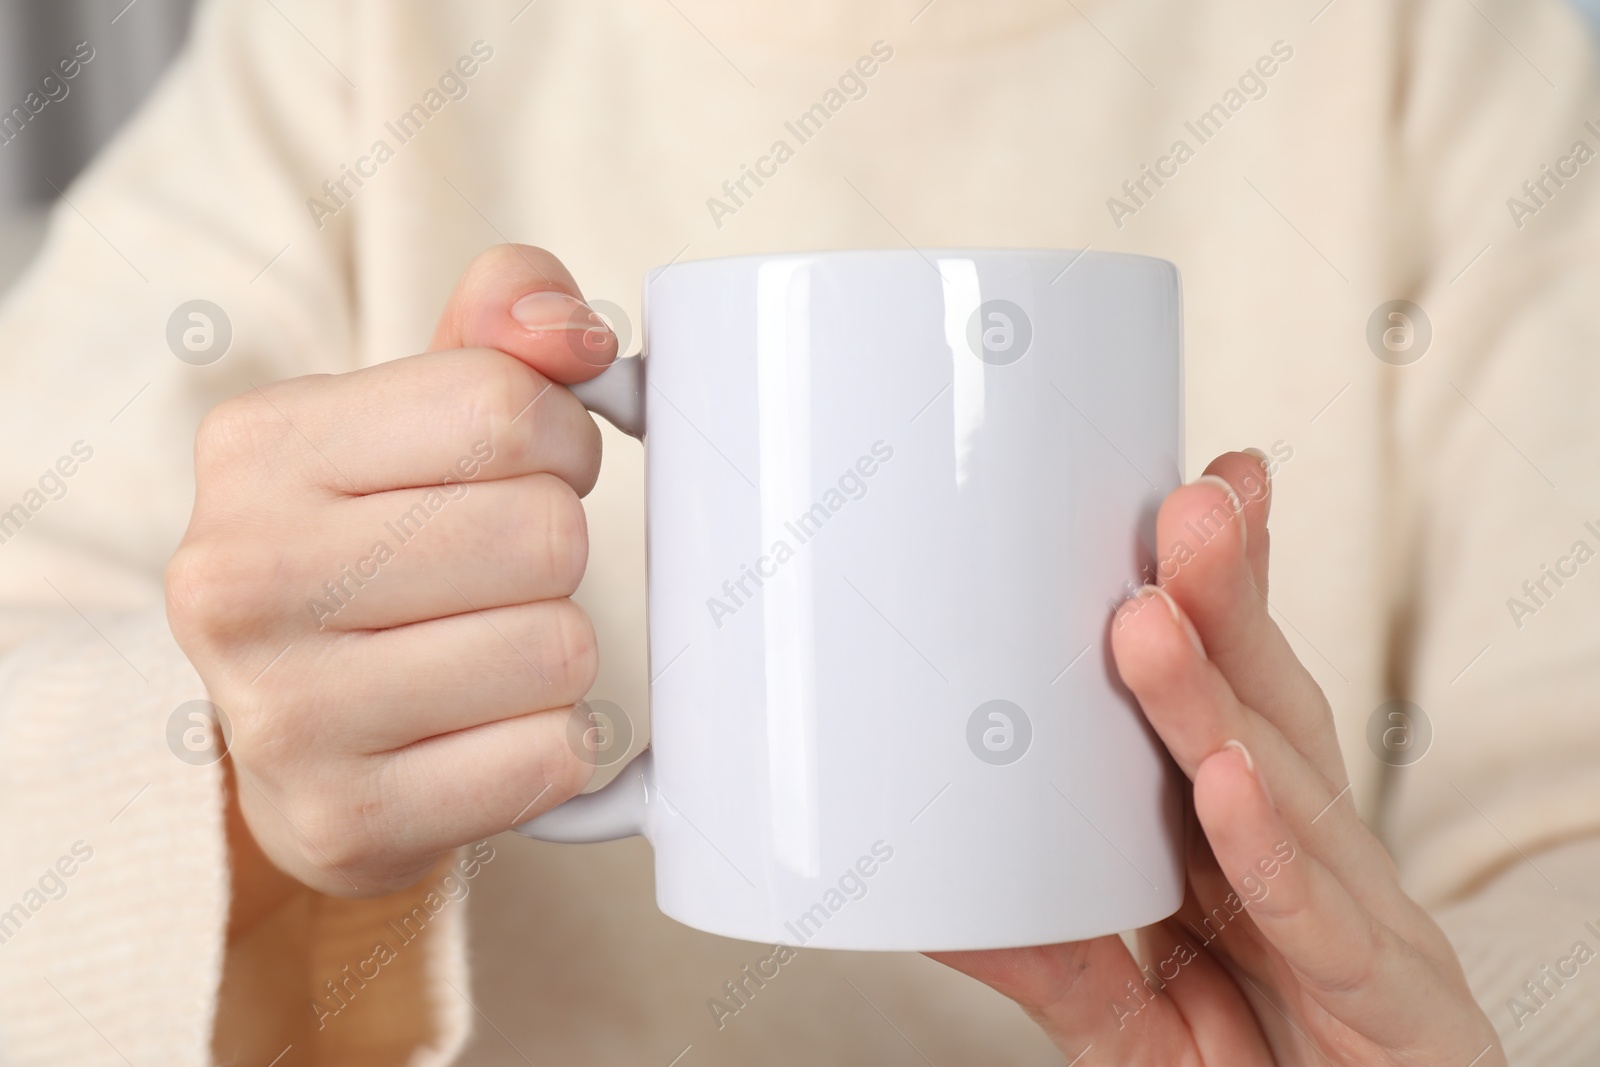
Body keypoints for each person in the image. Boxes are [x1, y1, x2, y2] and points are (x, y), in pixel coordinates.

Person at [1, 0, 1597, 1063]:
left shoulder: (1444, 51)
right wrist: (245, 794)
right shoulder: (350, 40)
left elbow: (1574, 829)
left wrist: (1461, 1038)